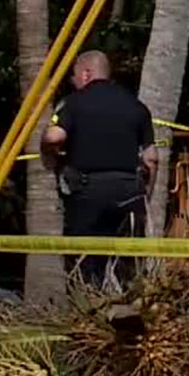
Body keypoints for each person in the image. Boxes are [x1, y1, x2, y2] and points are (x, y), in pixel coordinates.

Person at [40, 50, 158, 288]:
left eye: (74, 76)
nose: (73, 82)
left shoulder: (74, 103)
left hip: (88, 192)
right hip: (128, 191)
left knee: (83, 265)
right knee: (129, 266)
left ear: (86, 73)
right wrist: (146, 194)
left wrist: (47, 147)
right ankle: (132, 310)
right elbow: (151, 158)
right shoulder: (137, 106)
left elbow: (54, 136)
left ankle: (86, 315)